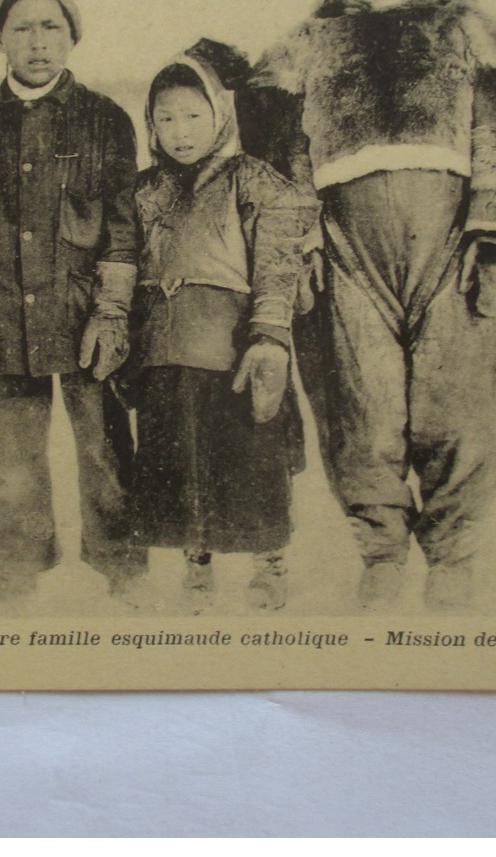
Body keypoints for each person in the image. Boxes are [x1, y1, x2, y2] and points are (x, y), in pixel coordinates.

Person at [242, 0, 496, 610]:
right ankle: (382, 553)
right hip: (347, 249)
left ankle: (452, 555)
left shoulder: (462, 28)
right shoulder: (314, 37)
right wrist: (301, 238)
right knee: (362, 405)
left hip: (449, 240)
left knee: (458, 404)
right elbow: (278, 139)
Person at [0, 0, 147, 604]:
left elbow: (124, 227)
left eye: (51, 25)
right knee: (14, 461)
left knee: (105, 448)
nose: (37, 40)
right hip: (2, 315)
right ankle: (18, 573)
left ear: (72, 36)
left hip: (82, 315)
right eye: (21, 27)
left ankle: (122, 569)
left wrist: (111, 314)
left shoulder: (105, 119)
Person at [124, 40, 320, 610]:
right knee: (180, 459)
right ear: (151, 126)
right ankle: (196, 560)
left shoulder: (250, 178)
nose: (180, 131)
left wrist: (268, 333)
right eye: (166, 119)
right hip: (167, 348)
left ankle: (269, 563)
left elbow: (278, 261)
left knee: (250, 457)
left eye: (193, 115)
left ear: (219, 113)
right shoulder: (145, 191)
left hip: (235, 349)